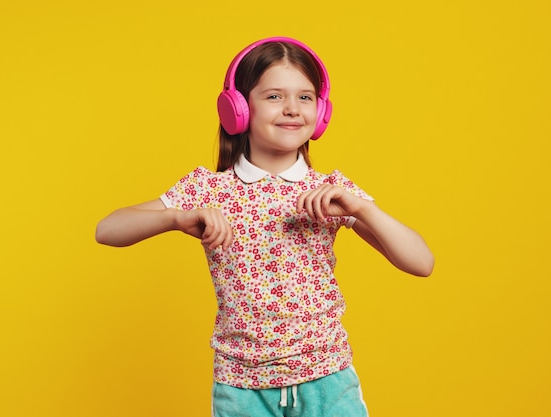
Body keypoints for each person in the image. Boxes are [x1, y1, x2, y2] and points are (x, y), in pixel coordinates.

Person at [96, 36, 434, 417]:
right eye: (274, 96)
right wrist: (177, 218)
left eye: (305, 98)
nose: (292, 109)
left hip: (326, 376)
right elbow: (107, 230)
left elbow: (421, 262)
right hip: (241, 384)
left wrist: (361, 209)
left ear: (321, 112)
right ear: (237, 109)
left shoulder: (331, 192)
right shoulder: (207, 189)